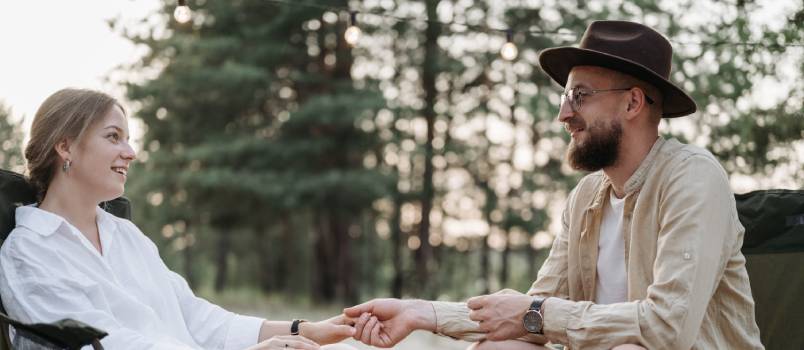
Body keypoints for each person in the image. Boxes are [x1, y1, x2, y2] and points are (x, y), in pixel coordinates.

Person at [344, 20, 764, 350]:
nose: (563, 114)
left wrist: (538, 313)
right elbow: (528, 315)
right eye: (565, 96)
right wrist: (420, 313)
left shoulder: (692, 178)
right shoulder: (586, 198)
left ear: (633, 103)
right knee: (500, 346)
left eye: (579, 95)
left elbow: (667, 329)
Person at [0, 88, 357, 350]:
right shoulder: (28, 251)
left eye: (129, 139)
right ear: (65, 147)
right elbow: (105, 345)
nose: (131, 152)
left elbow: (195, 318)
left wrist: (303, 330)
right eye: (114, 137)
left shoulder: (126, 235)